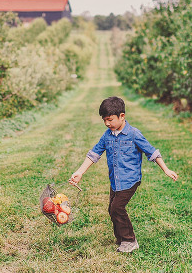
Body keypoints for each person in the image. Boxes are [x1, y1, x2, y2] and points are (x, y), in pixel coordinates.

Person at [69, 96, 178, 253]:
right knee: (112, 209)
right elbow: (94, 154)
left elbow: (152, 152)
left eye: (110, 119)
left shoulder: (133, 134)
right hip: (115, 181)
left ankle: (129, 240)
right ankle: (121, 238)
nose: (107, 123)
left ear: (122, 116)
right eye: (104, 120)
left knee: (117, 208)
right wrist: (80, 172)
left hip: (130, 180)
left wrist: (166, 169)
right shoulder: (107, 135)